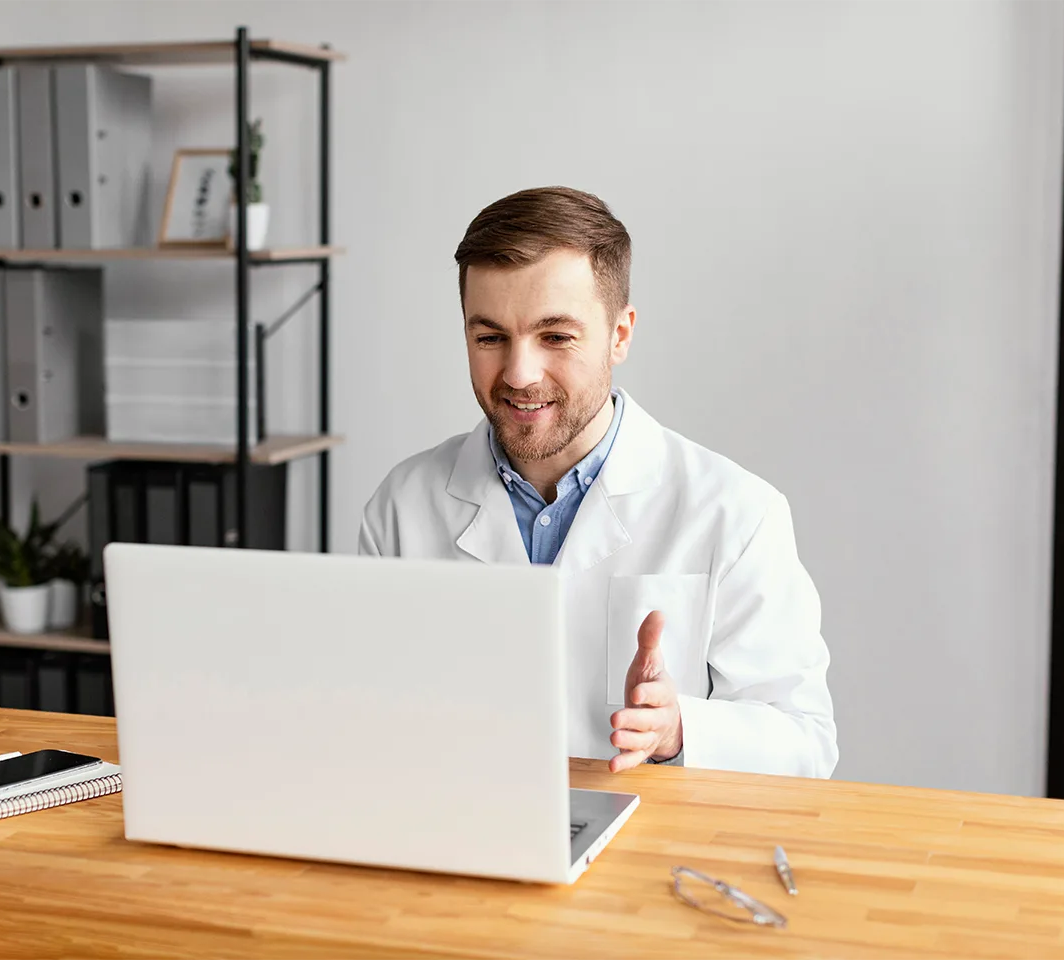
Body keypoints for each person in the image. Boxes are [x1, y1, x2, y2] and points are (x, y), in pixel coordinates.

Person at [358, 186, 837, 778]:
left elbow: (805, 743)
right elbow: (364, 720)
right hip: (462, 841)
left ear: (620, 335)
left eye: (555, 336)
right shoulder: (401, 509)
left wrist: (678, 730)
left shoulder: (735, 512)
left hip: (655, 853)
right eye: (489, 338)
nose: (519, 373)